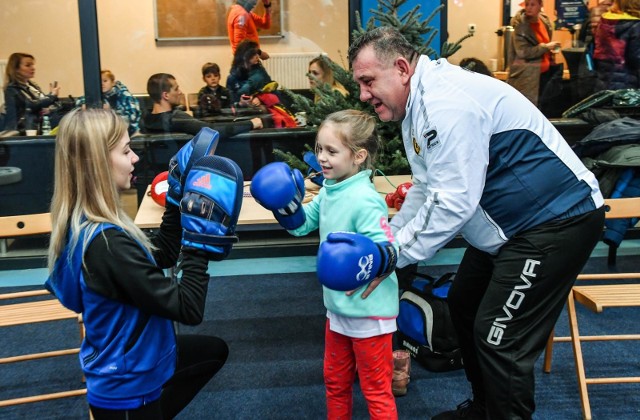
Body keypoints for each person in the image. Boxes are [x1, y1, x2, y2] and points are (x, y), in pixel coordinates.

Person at [348, 26, 606, 419]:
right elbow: (426, 187)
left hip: (555, 223)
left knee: (499, 339)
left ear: (401, 67)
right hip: (512, 231)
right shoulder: (417, 107)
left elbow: (453, 202)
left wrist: (393, 257)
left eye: (368, 81)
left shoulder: (446, 104)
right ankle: (485, 409)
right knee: (463, 303)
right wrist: (391, 244)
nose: (363, 95)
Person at [45, 107, 229, 419]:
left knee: (211, 352)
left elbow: (162, 255)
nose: (135, 159)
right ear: (97, 164)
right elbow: (188, 308)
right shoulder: (107, 245)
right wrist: (201, 242)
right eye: (126, 150)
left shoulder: (93, 225)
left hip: (134, 359)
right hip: (128, 389)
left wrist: (174, 199)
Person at [250, 109, 400, 419]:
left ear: (358, 156)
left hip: (369, 314)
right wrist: (287, 204)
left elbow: (389, 246)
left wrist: (368, 261)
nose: (322, 157)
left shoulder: (364, 198)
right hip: (337, 310)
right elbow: (301, 226)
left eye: (332, 150)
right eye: (320, 148)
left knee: (376, 391)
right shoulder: (330, 190)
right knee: (335, 383)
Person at [140, 72, 263, 136]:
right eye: (176, 89)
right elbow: (214, 131)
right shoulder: (176, 118)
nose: (180, 92)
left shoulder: (145, 119)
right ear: (166, 95)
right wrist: (251, 123)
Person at [506, 0, 561, 107]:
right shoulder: (520, 25)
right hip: (527, 76)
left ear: (540, 5)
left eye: (532, 4)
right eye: (527, 4)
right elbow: (523, 52)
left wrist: (549, 50)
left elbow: (543, 44)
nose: (529, 8)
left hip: (545, 74)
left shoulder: (545, 22)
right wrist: (546, 47)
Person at [3, 52, 61, 134]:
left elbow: (42, 102)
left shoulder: (32, 86)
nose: (33, 68)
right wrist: (52, 97)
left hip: (36, 125)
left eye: (33, 65)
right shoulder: (12, 89)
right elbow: (31, 105)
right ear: (16, 69)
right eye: (28, 65)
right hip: (20, 131)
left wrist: (49, 106)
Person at [76, 70, 141, 135]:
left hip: (127, 132)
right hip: (100, 133)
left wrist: (111, 112)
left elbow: (131, 118)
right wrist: (83, 108)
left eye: (105, 81)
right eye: (99, 82)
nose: (102, 84)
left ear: (113, 83)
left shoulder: (124, 96)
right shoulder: (93, 95)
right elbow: (79, 104)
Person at [593, 0, 640, 90]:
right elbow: (636, 59)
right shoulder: (635, 26)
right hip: (628, 87)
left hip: (604, 83)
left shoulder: (604, 21)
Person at [226, 40, 273, 105]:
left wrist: (260, 98)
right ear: (245, 56)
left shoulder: (259, 71)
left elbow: (272, 92)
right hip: (241, 111)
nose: (257, 56)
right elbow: (230, 103)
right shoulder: (232, 77)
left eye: (257, 53)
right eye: (254, 54)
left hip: (261, 110)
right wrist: (240, 103)